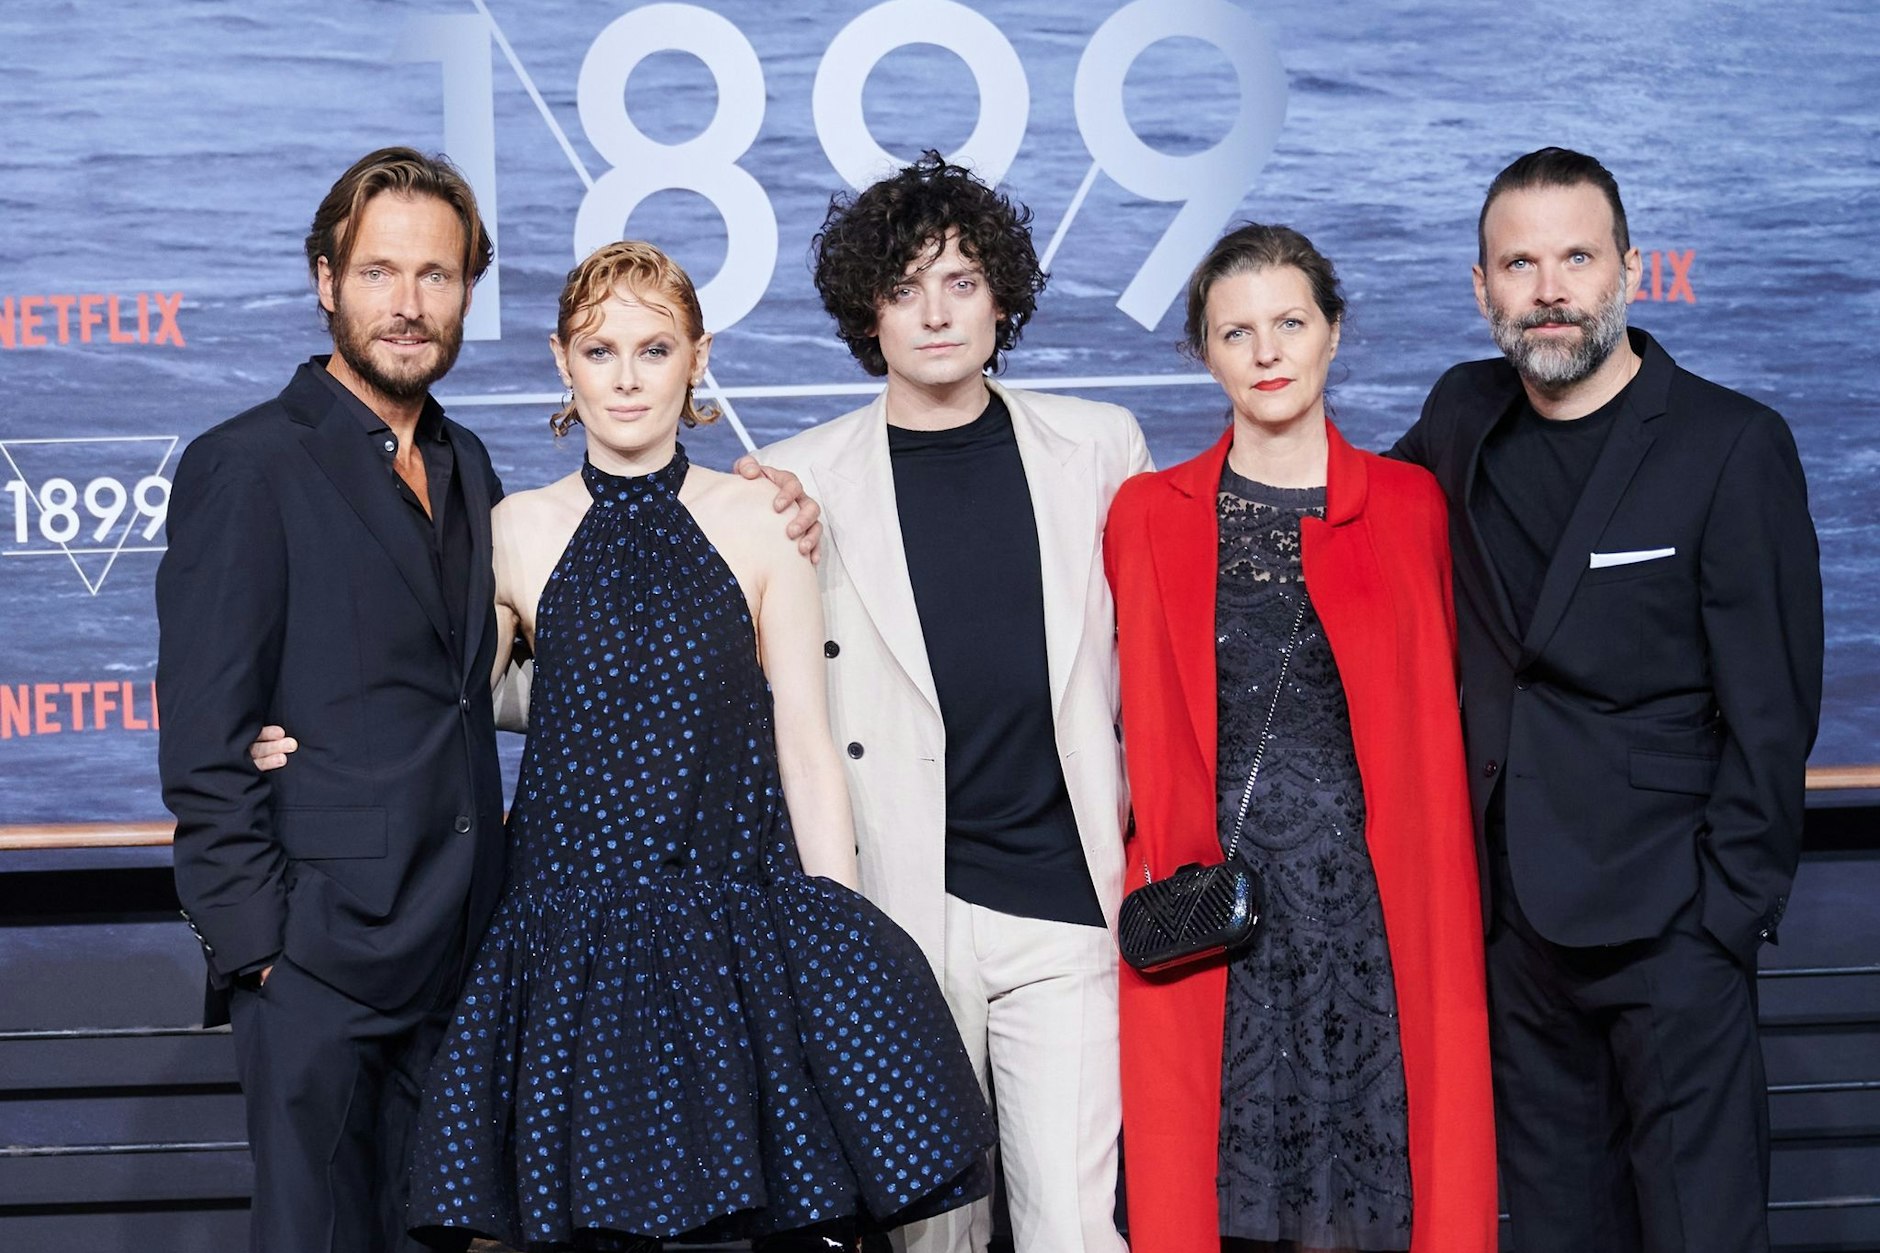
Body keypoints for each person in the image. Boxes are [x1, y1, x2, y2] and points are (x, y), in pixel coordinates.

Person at [160, 147, 820, 1253]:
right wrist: (260, 945)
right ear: (326, 281)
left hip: (466, 946)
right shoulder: (248, 464)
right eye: (379, 273)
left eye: (437, 274)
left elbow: (501, 683)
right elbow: (204, 728)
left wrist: (772, 515)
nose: (408, 304)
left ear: (469, 290)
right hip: (319, 951)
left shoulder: (471, 468)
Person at [402, 240, 993, 1252]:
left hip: (730, 927)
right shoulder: (515, 530)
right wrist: (296, 739)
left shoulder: (764, 516)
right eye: (599, 350)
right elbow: (440, 705)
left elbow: (804, 741)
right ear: (561, 361)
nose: (625, 377)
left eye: (652, 347)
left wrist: (838, 934)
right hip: (567, 946)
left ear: (696, 357)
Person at [1390, 147, 1824, 1253]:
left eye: (1574, 256)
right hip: (1511, 927)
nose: (1547, 288)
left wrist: (1721, 916)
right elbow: (1356, 530)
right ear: (1478, 286)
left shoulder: (1729, 444)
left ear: (1629, 268)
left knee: (1698, 1231)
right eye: (1518, 262)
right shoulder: (1458, 417)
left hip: (1669, 923)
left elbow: (1772, 711)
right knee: (1552, 1231)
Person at [759, 152, 1148, 1253]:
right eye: (903, 286)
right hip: (895, 910)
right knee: (935, 1232)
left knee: (1075, 1227)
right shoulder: (796, 481)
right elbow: (692, 670)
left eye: (962, 281)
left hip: (1064, 897)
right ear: (865, 312)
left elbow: (1167, 659)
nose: (935, 313)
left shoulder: (1098, 447)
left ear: (1001, 297)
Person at [1103, 224, 1497, 1253]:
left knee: (1376, 1210)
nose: (1266, 351)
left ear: (1331, 333)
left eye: (1289, 322)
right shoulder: (1144, 514)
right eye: (1236, 331)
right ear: (1204, 352)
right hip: (1219, 916)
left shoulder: (1410, 504)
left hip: (1368, 914)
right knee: (1220, 1207)